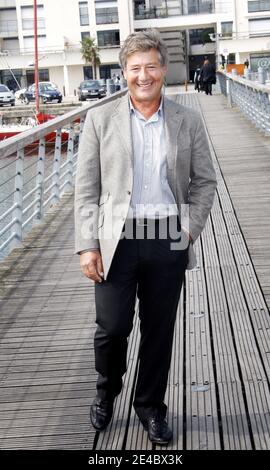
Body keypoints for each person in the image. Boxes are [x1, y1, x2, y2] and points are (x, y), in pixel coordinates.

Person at [75, 29, 217, 445]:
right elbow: (87, 188)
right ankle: (106, 391)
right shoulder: (100, 120)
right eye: (135, 68)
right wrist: (87, 244)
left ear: (163, 69)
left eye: (151, 66)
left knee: (159, 331)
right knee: (112, 327)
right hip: (115, 240)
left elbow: (204, 182)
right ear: (124, 73)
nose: (144, 75)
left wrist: (187, 230)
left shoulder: (187, 120)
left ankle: (151, 407)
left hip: (167, 238)